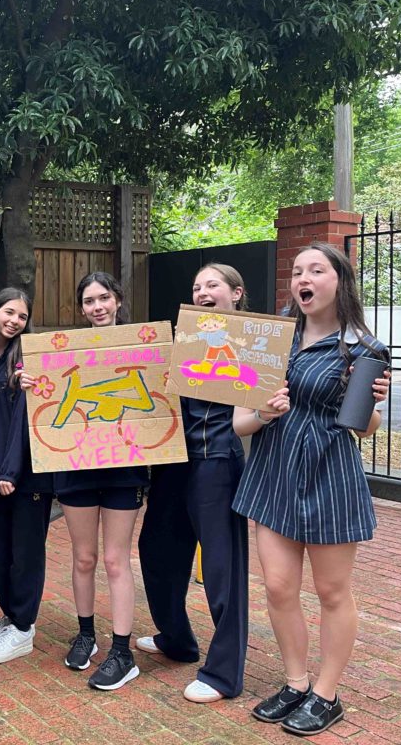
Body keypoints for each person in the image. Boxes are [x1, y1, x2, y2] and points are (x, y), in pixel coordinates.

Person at [233, 242, 390, 736]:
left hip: (329, 475)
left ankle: (326, 694)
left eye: (316, 270)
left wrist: (372, 403)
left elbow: (363, 427)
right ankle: (296, 682)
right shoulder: (269, 340)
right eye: (298, 270)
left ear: (339, 281)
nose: (304, 278)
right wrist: (264, 412)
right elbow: (240, 424)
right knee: (279, 588)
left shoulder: (364, 349)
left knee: (331, 591)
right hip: (273, 473)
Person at [22, 271, 147, 690]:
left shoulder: (141, 347)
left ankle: (122, 651)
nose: (97, 306)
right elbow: (44, 391)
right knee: (83, 557)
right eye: (89, 301)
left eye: (104, 298)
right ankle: (86, 633)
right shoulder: (64, 352)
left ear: (118, 300)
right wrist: (29, 381)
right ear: (81, 308)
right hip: (76, 465)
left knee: (115, 559)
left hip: (123, 467)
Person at [136, 263, 250, 704]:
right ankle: (177, 638)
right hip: (173, 460)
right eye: (196, 286)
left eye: (212, 284)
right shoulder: (184, 340)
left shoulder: (256, 344)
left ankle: (223, 674)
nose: (202, 291)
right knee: (156, 550)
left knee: (222, 569)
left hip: (217, 461)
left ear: (235, 293)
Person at [0, 289, 53, 664]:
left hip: (24, 475)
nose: (15, 321)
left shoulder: (28, 360)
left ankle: (23, 628)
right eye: (9, 312)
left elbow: (27, 420)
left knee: (25, 555)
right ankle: (14, 615)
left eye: (22, 316)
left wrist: (11, 470)